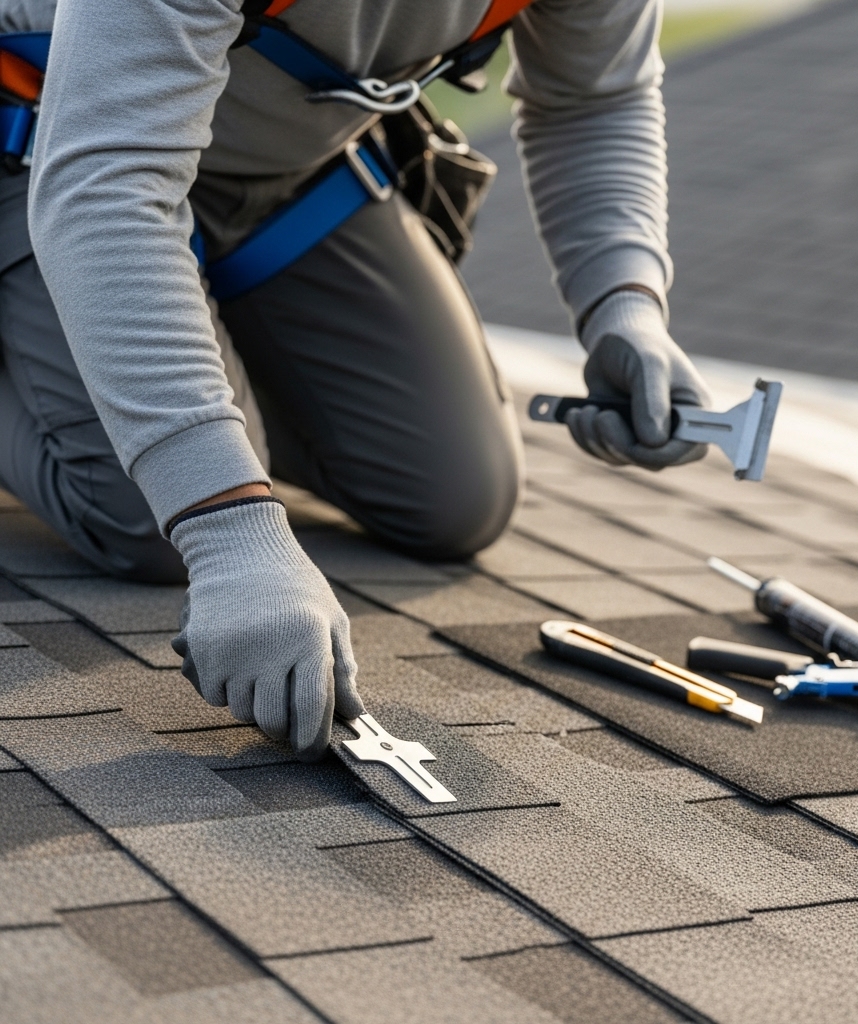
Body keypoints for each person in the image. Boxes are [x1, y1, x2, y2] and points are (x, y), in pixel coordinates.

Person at [0, 0, 712, 759]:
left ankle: (173, 361)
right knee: (146, 521)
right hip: (55, 140)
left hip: (288, 170)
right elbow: (106, 186)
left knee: (450, 497)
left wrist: (624, 305)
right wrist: (229, 528)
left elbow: (594, 96)